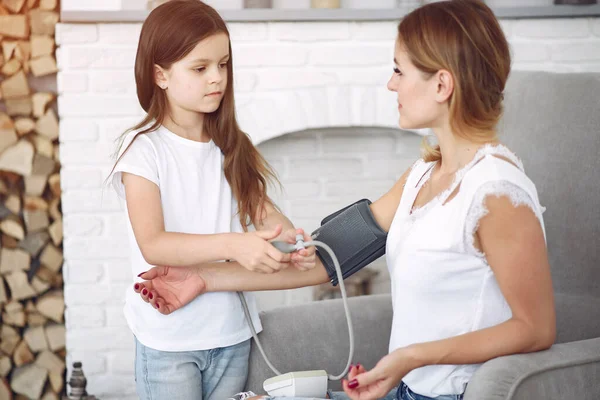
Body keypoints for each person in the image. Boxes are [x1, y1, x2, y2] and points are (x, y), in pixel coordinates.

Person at [134, 1, 556, 399]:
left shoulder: (497, 191)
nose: (391, 83)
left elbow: (535, 328)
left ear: (442, 84)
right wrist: (206, 279)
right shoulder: (422, 175)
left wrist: (413, 356)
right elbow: (328, 259)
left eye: (399, 71)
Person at [107, 1, 316, 399]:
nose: (216, 78)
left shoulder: (233, 147)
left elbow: (266, 217)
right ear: (161, 75)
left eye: (223, 64)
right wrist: (234, 245)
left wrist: (291, 244)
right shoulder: (143, 153)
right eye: (200, 68)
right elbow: (154, 244)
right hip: (168, 340)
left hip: (233, 335)